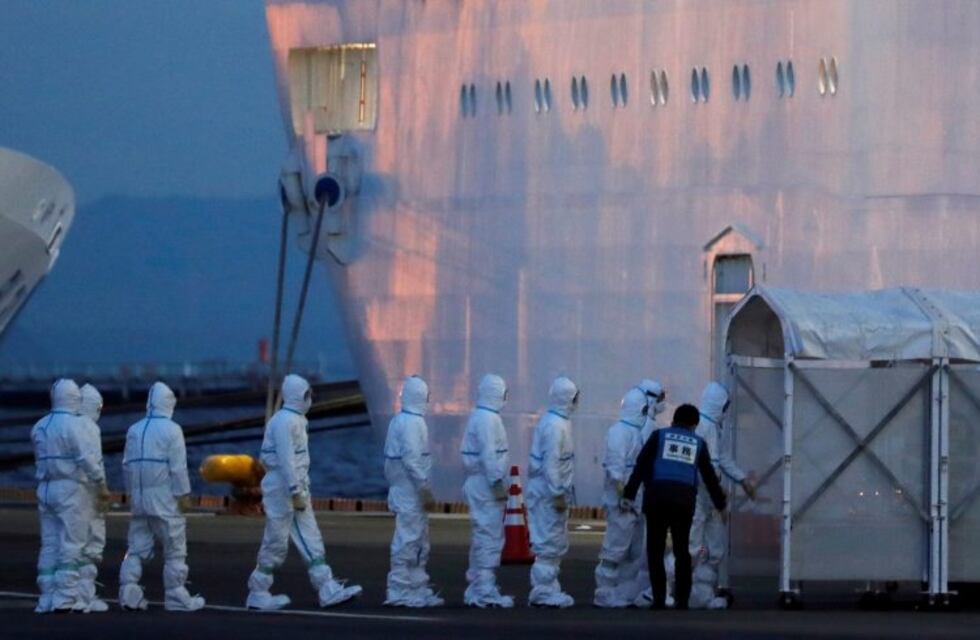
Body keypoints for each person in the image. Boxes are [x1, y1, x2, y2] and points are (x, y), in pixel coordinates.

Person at [246, 374, 362, 610]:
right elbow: (286, 459)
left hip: (293, 487)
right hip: (284, 488)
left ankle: (326, 587)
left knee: (310, 536)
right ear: (298, 396)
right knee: (277, 539)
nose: (310, 399)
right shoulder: (285, 422)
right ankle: (258, 591)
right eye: (307, 394)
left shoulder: (294, 420)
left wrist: (298, 489)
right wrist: (294, 490)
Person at [622, 404, 727, 610]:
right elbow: (709, 477)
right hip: (684, 501)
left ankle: (659, 599)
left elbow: (641, 465)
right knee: (682, 551)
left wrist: (629, 494)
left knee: (655, 550)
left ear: (673, 420)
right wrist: (720, 504)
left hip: (656, 498)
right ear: (694, 425)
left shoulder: (658, 436)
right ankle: (682, 600)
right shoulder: (698, 443)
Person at [118, 381, 204, 612]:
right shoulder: (172, 430)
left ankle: (128, 592)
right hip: (164, 498)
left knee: (136, 546)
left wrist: (131, 493)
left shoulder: (134, 430)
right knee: (175, 547)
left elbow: (126, 466)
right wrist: (183, 494)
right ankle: (176, 594)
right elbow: (177, 467)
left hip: (139, 498)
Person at [32, 379, 108, 613]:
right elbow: (85, 458)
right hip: (70, 489)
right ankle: (65, 598)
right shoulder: (75, 426)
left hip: (45, 488)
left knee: (50, 544)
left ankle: (46, 597)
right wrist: (100, 484)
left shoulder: (39, 426)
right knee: (72, 543)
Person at [689, 382, 756, 610]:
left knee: (713, 549)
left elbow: (722, 458)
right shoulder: (701, 427)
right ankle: (667, 590)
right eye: (725, 406)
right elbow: (702, 468)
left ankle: (701, 594)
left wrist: (742, 479)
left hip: (712, 499)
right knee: (693, 546)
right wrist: (718, 493)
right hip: (700, 498)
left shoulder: (715, 428)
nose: (726, 411)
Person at [384, 375, 443, 607]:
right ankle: (399, 588)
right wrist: (423, 487)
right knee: (408, 539)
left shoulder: (402, 420)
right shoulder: (412, 423)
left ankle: (416, 586)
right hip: (410, 490)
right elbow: (411, 459)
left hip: (408, 489)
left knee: (418, 539)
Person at [460, 374, 514, 608]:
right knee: (489, 535)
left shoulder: (481, 416)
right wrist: (496, 482)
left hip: (480, 482)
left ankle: (478, 584)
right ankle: (484, 588)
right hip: (485, 484)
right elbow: (488, 454)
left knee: (483, 533)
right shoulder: (488, 419)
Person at [526, 376, 578, 608]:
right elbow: (551, 463)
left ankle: (548, 586)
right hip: (548, 492)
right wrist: (557, 492)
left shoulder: (558, 422)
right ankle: (543, 591)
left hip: (551, 490)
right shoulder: (555, 426)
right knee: (548, 541)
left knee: (555, 540)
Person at [593, 387, 647, 607]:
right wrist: (623, 495)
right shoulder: (619, 432)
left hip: (632, 501)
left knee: (630, 550)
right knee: (614, 548)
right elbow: (616, 470)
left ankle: (620, 589)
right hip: (622, 503)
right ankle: (604, 591)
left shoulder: (632, 432)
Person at [78, 384, 110, 612]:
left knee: (66, 544)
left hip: (67, 493)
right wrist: (102, 489)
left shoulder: (65, 425)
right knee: (91, 543)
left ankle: (62, 594)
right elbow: (94, 463)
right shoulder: (90, 428)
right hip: (86, 493)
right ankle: (84, 595)